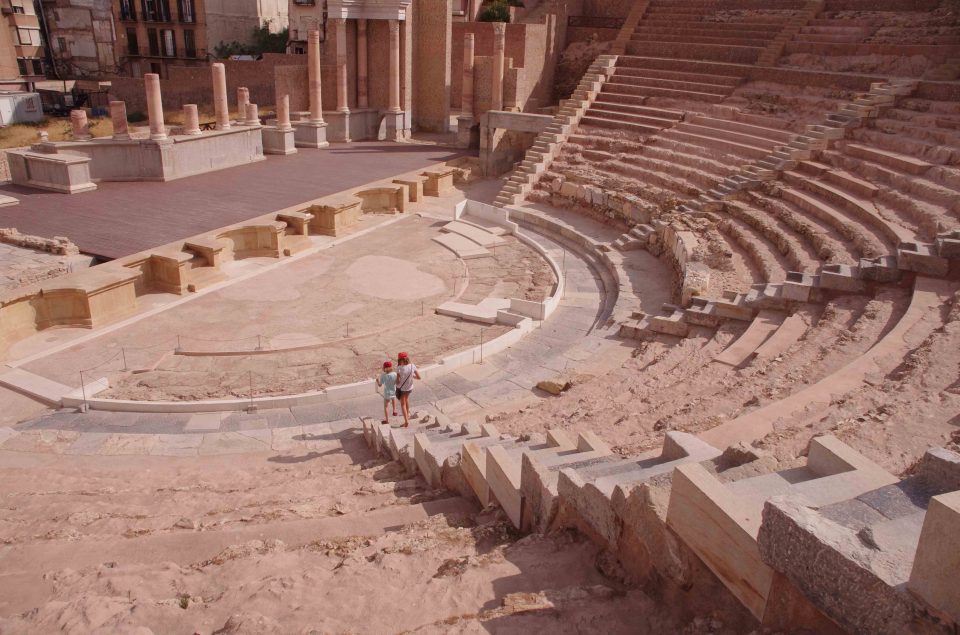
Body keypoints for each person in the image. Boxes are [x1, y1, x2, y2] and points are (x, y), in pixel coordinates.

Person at [395, 351, 420, 428]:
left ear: (399, 360)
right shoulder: (412, 366)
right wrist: (412, 377)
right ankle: (408, 414)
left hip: (402, 389)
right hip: (410, 388)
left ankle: (406, 421)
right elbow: (419, 377)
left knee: (403, 404)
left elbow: (398, 381)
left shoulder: (399, 368)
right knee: (406, 400)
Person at [376, 360, 398, 425]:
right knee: (394, 399)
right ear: (391, 367)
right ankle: (394, 410)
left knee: (386, 407)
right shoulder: (394, 374)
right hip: (393, 391)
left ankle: (387, 420)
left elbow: (380, 385)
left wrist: (377, 380)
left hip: (387, 393)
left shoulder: (383, 375)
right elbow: (397, 382)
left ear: (384, 368)